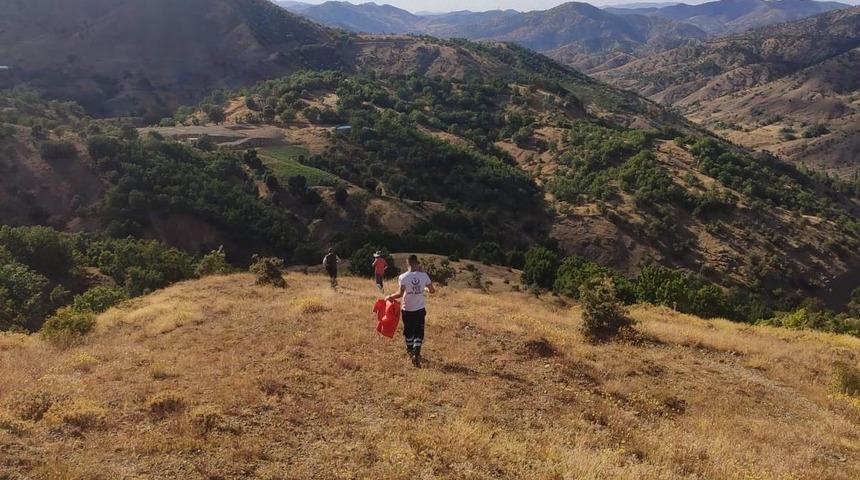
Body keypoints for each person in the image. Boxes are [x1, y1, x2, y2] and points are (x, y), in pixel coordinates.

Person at [386, 254, 435, 367]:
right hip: (419, 309)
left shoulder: (403, 277)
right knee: (419, 332)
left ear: (407, 263)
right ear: (417, 263)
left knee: (408, 331)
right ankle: (416, 352)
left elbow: (400, 294)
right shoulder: (424, 276)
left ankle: (409, 350)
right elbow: (432, 290)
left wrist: (390, 297)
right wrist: (425, 288)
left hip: (407, 309)